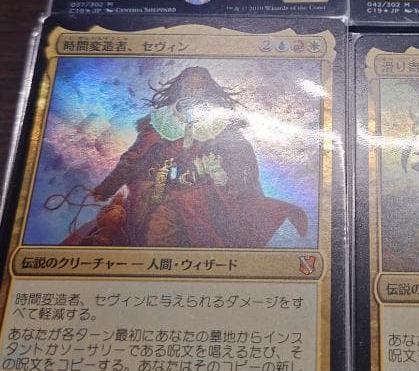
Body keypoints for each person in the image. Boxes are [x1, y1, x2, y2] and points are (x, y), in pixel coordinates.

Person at [75, 65, 307, 248]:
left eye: (200, 88)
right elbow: (134, 157)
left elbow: (243, 164)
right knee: (140, 225)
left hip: (206, 194)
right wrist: (107, 187)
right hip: (157, 191)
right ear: (180, 89)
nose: (194, 93)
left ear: (208, 91)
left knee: (193, 220)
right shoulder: (161, 121)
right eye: (189, 87)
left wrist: (221, 176)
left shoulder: (224, 126)